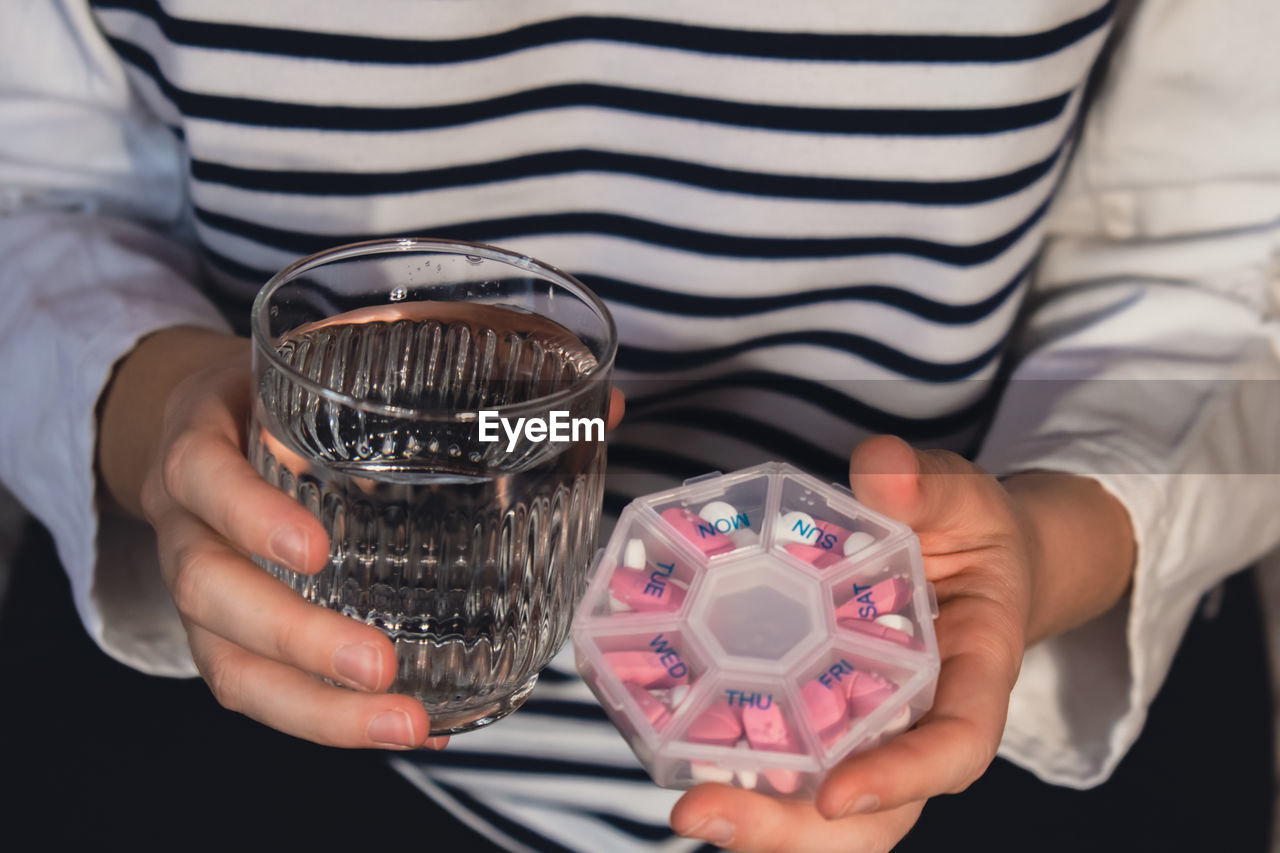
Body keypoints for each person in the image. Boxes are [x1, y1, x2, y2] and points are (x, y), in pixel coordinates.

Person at [2, 0, 1278, 850]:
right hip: (234, 708)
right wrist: (155, 411)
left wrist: (1051, 547)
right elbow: (29, 185)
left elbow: (1222, 258)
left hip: (991, 728)